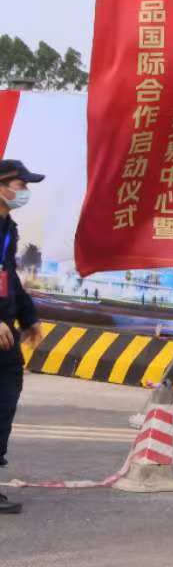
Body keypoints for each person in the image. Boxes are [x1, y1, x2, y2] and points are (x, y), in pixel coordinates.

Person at [0, 157, 45, 515]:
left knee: (4, 402)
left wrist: (28, 318)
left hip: (6, 335)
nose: (25, 191)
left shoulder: (7, 227)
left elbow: (9, 277)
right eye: (21, 184)